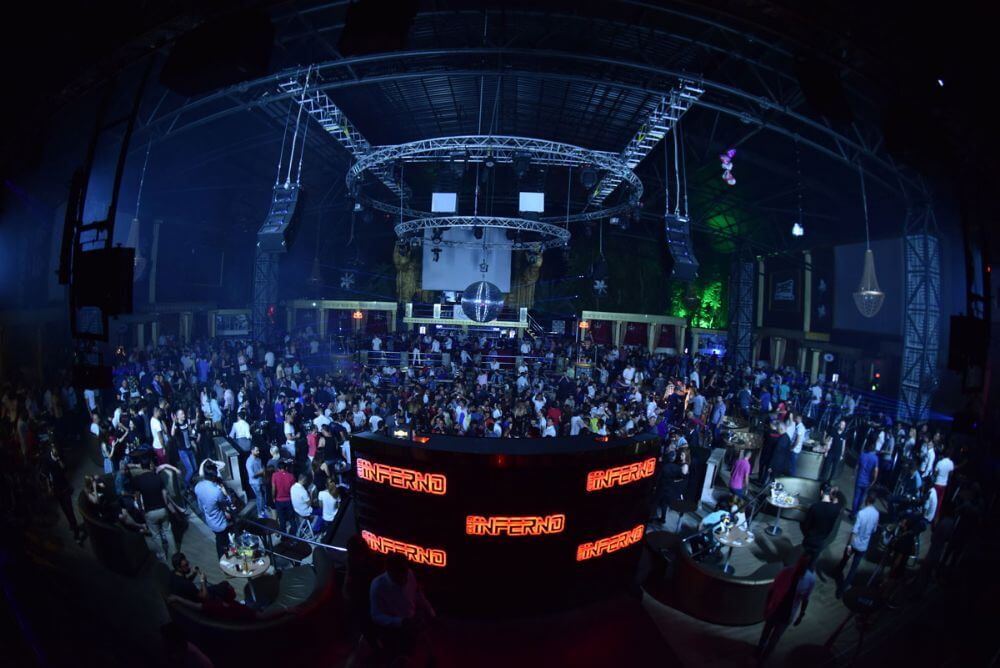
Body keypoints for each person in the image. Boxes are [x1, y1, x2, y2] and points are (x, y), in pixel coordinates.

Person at [369, 553, 436, 662]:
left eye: (404, 572)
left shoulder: (409, 574)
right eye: (399, 574)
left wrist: (430, 611)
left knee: (409, 653)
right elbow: (376, 615)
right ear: (389, 571)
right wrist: (400, 622)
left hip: (410, 623)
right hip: (393, 631)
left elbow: (417, 594)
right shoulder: (378, 586)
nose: (403, 578)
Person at [755, 553, 817, 661]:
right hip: (775, 609)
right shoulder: (786, 572)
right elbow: (772, 589)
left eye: (803, 564)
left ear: (807, 566)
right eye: (800, 563)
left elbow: (805, 599)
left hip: (788, 614)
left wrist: (801, 615)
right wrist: (767, 606)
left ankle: (764, 657)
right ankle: (758, 652)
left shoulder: (810, 579)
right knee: (765, 633)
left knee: (774, 638)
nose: (800, 566)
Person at [132, 457, 182, 561]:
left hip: (150, 511)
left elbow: (137, 497)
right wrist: (166, 506)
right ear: (150, 465)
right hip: (162, 509)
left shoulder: (138, 480)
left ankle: (163, 555)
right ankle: (174, 554)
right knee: (168, 531)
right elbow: (164, 494)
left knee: (156, 535)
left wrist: (141, 510)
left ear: (141, 466)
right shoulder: (157, 477)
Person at [836, 491, 879, 598]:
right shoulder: (876, 514)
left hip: (854, 543)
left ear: (867, 499)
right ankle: (842, 590)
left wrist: (849, 545)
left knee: (845, 559)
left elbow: (854, 531)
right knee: (853, 569)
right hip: (863, 546)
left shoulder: (861, 513)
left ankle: (837, 572)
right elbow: (874, 530)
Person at [194, 463, 233, 558]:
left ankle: (224, 557)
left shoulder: (198, 486)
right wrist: (224, 491)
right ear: (214, 476)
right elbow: (227, 502)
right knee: (223, 543)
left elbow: (200, 506)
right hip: (220, 522)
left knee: (219, 540)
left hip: (210, 520)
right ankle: (224, 559)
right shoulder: (216, 491)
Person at [801, 484, 841, 555]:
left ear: (821, 492)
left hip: (810, 540)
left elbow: (806, 525)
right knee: (812, 559)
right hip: (821, 541)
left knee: (803, 557)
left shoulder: (815, 507)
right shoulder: (836, 509)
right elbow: (836, 501)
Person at [852, 442, 879, 516]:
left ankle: (853, 513)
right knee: (863, 497)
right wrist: (874, 480)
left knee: (856, 497)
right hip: (867, 481)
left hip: (860, 478)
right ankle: (857, 511)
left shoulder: (862, 455)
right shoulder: (875, 458)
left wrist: (854, 475)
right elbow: (876, 471)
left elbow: (857, 466)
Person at [271, 460, 296, 535]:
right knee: (292, 519)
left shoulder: (274, 475)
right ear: (286, 468)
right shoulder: (291, 476)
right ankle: (293, 535)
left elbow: (273, 488)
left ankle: (284, 536)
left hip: (279, 501)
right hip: (289, 500)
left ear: (278, 468)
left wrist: (273, 497)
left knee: (282, 520)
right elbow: (293, 489)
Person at [932, 449, 954, 523]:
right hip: (944, 485)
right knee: (939, 502)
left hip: (937, 483)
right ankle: (935, 516)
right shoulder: (951, 463)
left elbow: (935, 473)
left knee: (933, 499)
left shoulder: (940, 462)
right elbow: (951, 474)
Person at [245, 445, 267, 518]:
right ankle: (260, 513)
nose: (258, 452)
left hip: (261, 481)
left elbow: (262, 467)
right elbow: (252, 475)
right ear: (252, 451)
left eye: (258, 450)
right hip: (255, 483)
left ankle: (263, 508)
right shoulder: (249, 462)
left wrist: (263, 471)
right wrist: (261, 472)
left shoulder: (258, 459)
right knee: (259, 497)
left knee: (264, 494)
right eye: (257, 450)